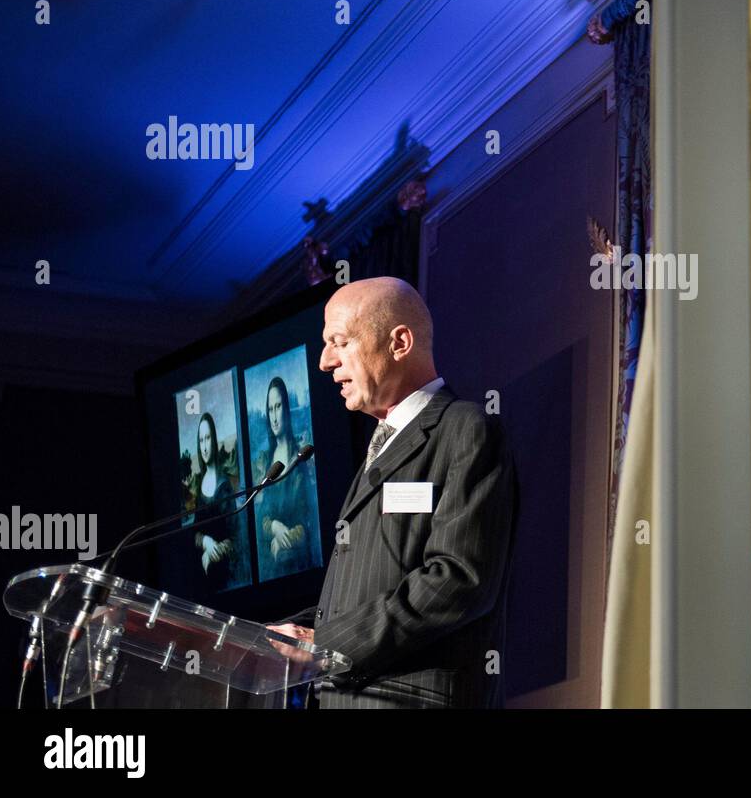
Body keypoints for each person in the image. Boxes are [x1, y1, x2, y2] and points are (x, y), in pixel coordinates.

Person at [269, 277, 518, 709]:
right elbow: (362, 594)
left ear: (399, 342)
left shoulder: (465, 429)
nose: (325, 361)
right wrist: (275, 637)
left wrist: (324, 643)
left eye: (339, 342)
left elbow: (460, 580)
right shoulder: (381, 446)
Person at [254, 376, 321, 580]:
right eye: (270, 409)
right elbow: (260, 518)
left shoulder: (303, 456)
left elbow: (310, 520)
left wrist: (286, 539)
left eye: (278, 406)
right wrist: (274, 527)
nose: (274, 416)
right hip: (272, 567)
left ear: (287, 409)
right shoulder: (264, 462)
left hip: (303, 565)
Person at [185, 412, 247, 592]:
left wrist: (213, 552)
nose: (205, 446)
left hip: (224, 574)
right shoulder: (198, 486)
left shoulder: (225, 485)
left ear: (214, 439)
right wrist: (206, 542)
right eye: (201, 440)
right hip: (203, 575)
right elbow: (194, 532)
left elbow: (235, 538)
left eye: (208, 438)